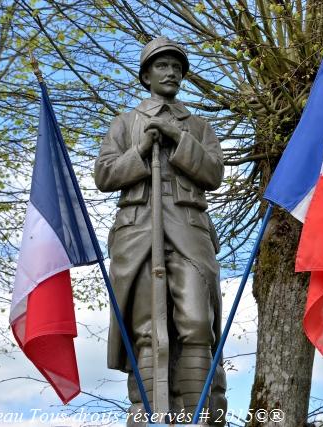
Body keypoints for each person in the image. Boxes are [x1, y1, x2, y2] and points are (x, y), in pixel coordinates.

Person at [94, 37, 227, 424]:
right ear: (146, 75)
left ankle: (201, 413)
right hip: (138, 235)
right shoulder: (125, 122)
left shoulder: (198, 126)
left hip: (188, 230)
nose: (171, 73)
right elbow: (105, 174)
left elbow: (213, 173)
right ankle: (151, 412)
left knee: (198, 322)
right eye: (162, 66)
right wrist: (140, 151)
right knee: (149, 329)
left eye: (177, 67)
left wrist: (176, 138)